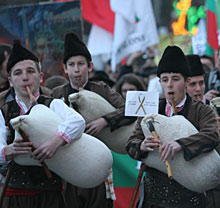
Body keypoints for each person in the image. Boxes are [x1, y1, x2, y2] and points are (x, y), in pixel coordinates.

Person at [126, 45, 220, 208]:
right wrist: (141, 146)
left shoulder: (201, 110)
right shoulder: (151, 109)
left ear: (187, 81)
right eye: (164, 80)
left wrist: (181, 144)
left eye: (175, 79)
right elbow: (131, 143)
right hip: (154, 196)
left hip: (190, 196)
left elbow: (212, 135)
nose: (169, 85)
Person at [53, 32, 136, 208]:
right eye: (72, 64)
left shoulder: (101, 89)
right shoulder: (57, 94)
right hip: (68, 165)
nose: (76, 69)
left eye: (81, 64)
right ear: (65, 68)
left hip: (97, 163)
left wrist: (105, 120)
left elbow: (129, 110)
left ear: (90, 66)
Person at [0, 40, 85, 208]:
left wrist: (56, 142)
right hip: (16, 194)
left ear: (40, 77)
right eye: (18, 73)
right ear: (11, 81)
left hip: (50, 194)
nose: (25, 77)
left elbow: (78, 121)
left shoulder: (53, 104)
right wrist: (9, 150)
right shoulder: (3, 111)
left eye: (30, 71)